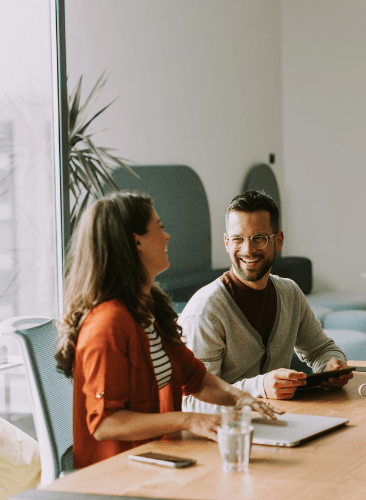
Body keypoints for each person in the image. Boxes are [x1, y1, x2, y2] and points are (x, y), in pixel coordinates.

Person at [55, 190, 281, 469]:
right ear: (136, 242)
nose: (167, 236)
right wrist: (188, 419)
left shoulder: (150, 308)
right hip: (118, 476)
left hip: (158, 458)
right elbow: (105, 423)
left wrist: (243, 399)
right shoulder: (108, 324)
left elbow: (197, 379)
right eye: (159, 228)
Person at [180, 190, 353, 413]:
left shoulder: (289, 293)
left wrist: (332, 365)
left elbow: (320, 349)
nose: (248, 249)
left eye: (259, 238)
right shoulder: (205, 310)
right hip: (228, 437)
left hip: (282, 423)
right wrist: (259, 387)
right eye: (237, 239)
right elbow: (193, 401)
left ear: (278, 240)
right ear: (226, 242)